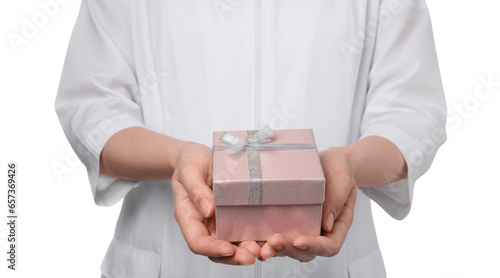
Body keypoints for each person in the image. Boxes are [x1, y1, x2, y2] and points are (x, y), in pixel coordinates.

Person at [55, 0, 446, 277]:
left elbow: (412, 114)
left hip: (332, 265)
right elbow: (92, 105)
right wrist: (177, 158)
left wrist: (343, 166)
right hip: (166, 259)